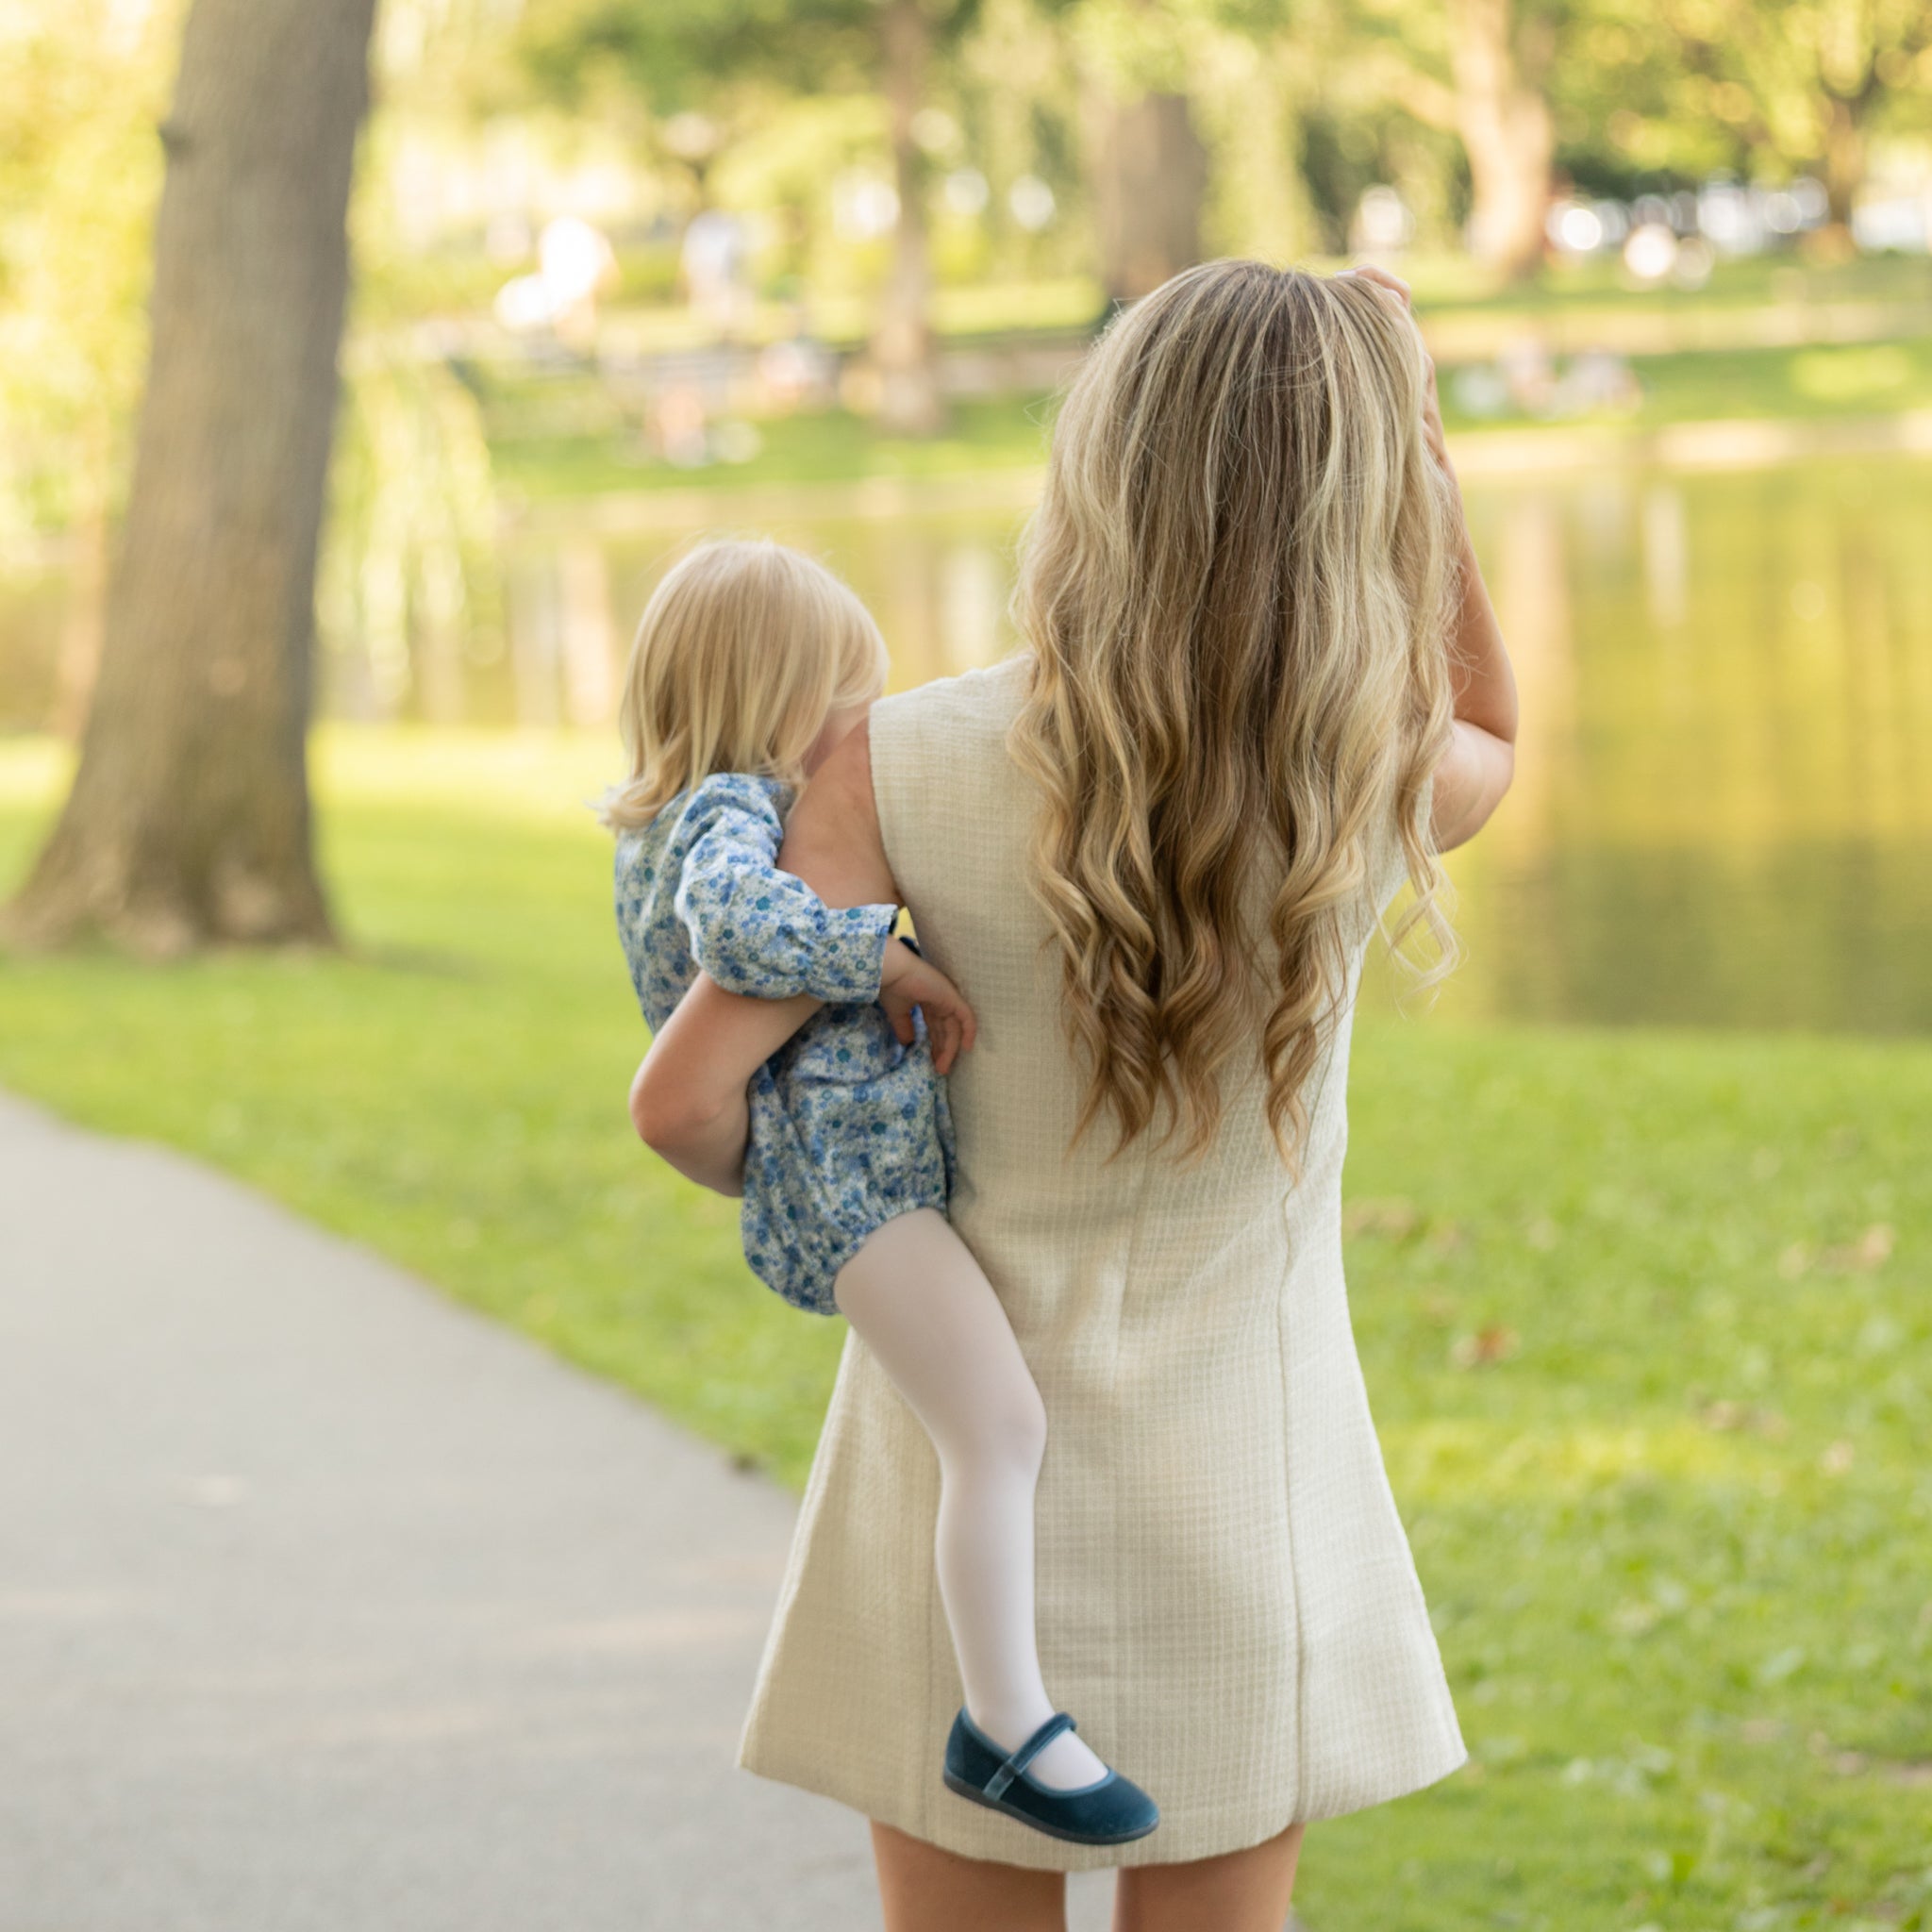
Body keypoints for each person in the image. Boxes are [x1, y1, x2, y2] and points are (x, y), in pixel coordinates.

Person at [635, 259, 1518, 1930]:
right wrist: (1431, 475)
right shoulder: (1365, 774)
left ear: (1096, 466)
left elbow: (685, 1107)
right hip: (1238, 1504)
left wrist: (840, 1203)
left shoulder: (882, 763)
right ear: (1367, 498)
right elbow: (1493, 727)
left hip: (941, 1501)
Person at [605, 537, 1161, 1846]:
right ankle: (1008, 1724)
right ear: (772, 697)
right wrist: (885, 955)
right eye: (847, 698)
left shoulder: (676, 813)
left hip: (843, 1176)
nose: (867, 726)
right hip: (851, 1189)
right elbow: (743, 931)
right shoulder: (729, 814)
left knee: (986, 1426)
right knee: (999, 1429)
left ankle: (1003, 1704)